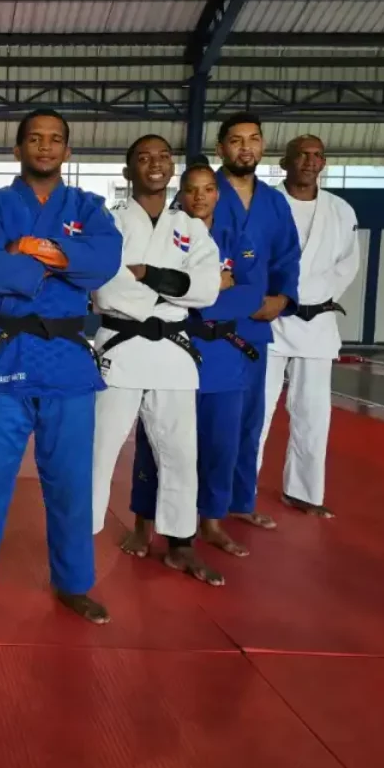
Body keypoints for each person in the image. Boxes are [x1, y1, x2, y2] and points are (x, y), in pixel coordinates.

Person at [0, 109, 123, 625]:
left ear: (67, 150)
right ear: (17, 148)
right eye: (35, 139)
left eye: (55, 139)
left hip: (67, 360)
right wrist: (67, 262)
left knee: (71, 482)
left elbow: (105, 261)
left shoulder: (88, 206)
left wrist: (28, 249)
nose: (45, 147)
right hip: (7, 352)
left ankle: (74, 582)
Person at [92, 136, 222, 585]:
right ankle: (80, 541)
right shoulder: (109, 223)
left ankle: (180, 543)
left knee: (181, 453)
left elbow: (207, 288)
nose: (156, 164)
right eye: (144, 158)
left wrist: (147, 274)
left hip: (173, 352)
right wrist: (173, 288)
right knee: (99, 449)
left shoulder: (192, 227)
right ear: (128, 171)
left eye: (164, 157)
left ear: (172, 169)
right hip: (120, 346)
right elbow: (107, 287)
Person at [130, 158, 267, 559]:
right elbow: (148, 288)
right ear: (181, 193)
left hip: (222, 356)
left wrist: (198, 296)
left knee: (221, 444)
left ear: (218, 194)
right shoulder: (164, 234)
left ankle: (211, 521)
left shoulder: (236, 238)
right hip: (170, 347)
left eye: (208, 189)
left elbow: (251, 293)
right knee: (155, 441)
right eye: (191, 189)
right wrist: (208, 287)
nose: (200, 197)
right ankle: (143, 522)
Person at [256, 135, 359, 518]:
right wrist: (272, 298)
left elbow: (348, 264)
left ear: (324, 162)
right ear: (285, 162)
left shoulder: (340, 210)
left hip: (317, 321)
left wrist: (309, 298)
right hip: (269, 320)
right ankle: (240, 491)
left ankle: (304, 492)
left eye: (317, 155)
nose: (310, 161)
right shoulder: (265, 203)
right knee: (257, 410)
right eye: (302, 155)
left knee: (313, 413)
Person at [213, 113, 301, 531]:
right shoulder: (202, 191)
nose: (245, 147)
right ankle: (202, 503)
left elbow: (287, 256)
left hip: (255, 326)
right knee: (210, 420)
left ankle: (239, 500)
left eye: (253, 139)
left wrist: (282, 298)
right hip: (210, 324)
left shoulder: (274, 202)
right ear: (221, 148)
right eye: (236, 140)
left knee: (250, 418)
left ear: (262, 146)